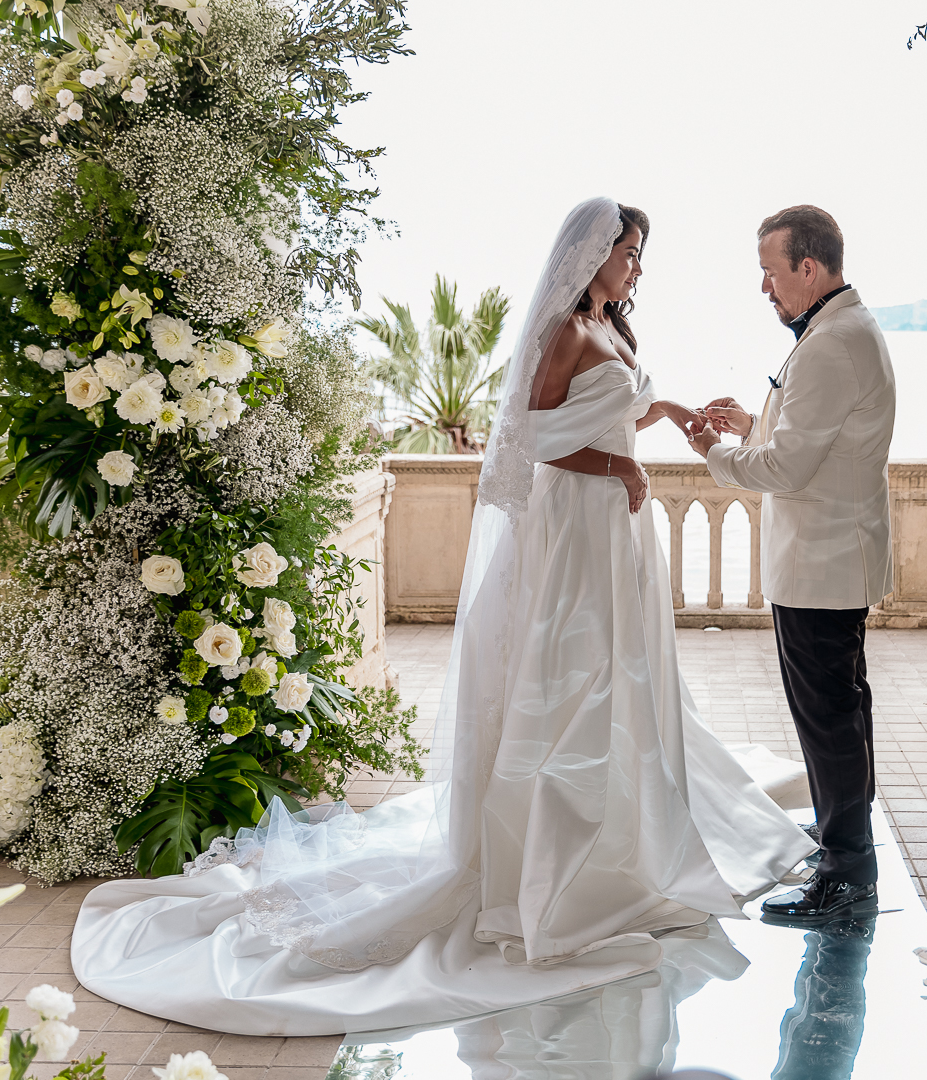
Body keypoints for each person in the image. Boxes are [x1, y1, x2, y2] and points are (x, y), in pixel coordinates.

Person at [70, 197, 816, 1036]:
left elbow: (610, 410)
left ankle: (626, 834)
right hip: (575, 526)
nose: (637, 267)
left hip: (614, 527)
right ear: (594, 253)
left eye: (641, 255)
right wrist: (618, 467)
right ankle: (552, 865)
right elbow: (532, 437)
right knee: (573, 681)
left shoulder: (613, 326)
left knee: (623, 679)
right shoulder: (566, 331)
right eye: (629, 252)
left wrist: (670, 413)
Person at [688, 205, 896, 923]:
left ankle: (846, 874)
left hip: (822, 561)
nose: (766, 289)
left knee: (829, 718)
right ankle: (845, 837)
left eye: (771, 274)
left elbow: (788, 467)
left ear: (809, 268)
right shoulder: (839, 331)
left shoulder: (834, 343)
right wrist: (750, 424)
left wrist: (714, 455)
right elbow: (811, 436)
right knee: (843, 710)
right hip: (829, 556)